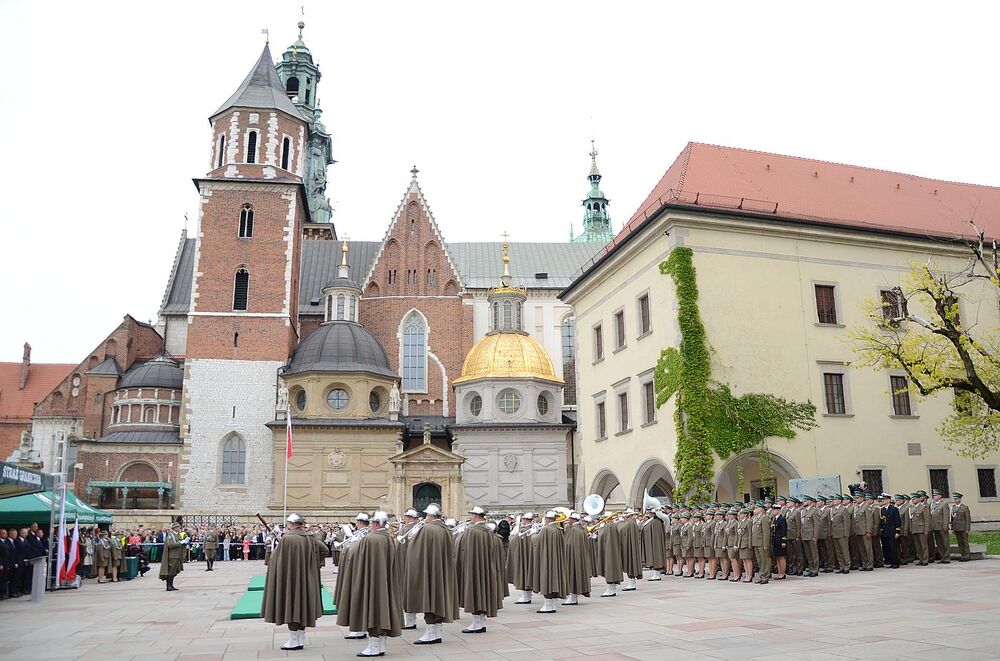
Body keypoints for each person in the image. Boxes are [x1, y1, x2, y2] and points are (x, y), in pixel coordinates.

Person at [335, 511, 401, 658]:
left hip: (372, 581)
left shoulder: (371, 538)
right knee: (382, 610)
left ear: (377, 523)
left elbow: (359, 559)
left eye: (372, 522)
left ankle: (373, 648)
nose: (370, 525)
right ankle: (381, 646)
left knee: (374, 611)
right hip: (383, 581)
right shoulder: (387, 538)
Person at [263, 514, 324, 651]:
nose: (287, 526)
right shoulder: (310, 537)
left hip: (291, 578)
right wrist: (314, 566)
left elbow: (274, 559)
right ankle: (300, 639)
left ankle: (293, 641)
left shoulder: (288, 538)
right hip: (307, 578)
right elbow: (324, 550)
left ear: (292, 524)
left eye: (288, 524)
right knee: (303, 607)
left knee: (292, 606)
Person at [404, 503, 456, 644]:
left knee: (431, 599)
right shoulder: (446, 529)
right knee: (439, 599)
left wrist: (412, 537)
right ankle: (437, 632)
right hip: (442, 571)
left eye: (427, 515)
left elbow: (415, 550)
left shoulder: (427, 529)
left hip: (430, 571)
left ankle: (431, 634)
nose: (425, 517)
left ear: (431, 516)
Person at [456, 506, 504, 633]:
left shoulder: (472, 530)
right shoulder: (488, 530)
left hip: (474, 567)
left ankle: (477, 624)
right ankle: (480, 622)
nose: (470, 517)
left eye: (472, 515)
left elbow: (465, 549)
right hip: (486, 567)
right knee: (483, 592)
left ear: (476, 516)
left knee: (475, 592)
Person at [533, 511, 568, 613]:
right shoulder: (558, 529)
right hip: (556, 559)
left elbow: (537, 543)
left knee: (547, 578)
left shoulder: (546, 529)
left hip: (547, 559)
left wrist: (533, 535)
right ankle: (552, 605)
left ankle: (548, 605)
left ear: (548, 519)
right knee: (554, 578)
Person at [562, 512, 592, 605]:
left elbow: (569, 544)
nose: (568, 520)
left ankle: (572, 596)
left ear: (573, 520)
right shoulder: (580, 529)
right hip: (578, 556)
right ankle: (573, 596)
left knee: (572, 575)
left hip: (573, 556)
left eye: (570, 518)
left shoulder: (574, 530)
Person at [508, 513, 535, 604]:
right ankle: (526, 595)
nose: (522, 521)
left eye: (523, 519)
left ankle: (526, 596)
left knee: (524, 573)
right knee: (527, 574)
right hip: (528, 555)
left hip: (524, 556)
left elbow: (513, 541)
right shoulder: (530, 530)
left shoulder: (525, 530)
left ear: (526, 520)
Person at [640, 509, 666, 582]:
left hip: (655, 543)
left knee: (656, 558)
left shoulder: (656, 522)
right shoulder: (652, 520)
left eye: (651, 513)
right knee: (653, 558)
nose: (649, 514)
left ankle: (657, 575)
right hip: (651, 542)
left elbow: (656, 535)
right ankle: (656, 574)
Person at [159, 522, 186, 591]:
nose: (179, 528)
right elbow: (171, 545)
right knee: (170, 571)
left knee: (174, 571)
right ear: (175, 528)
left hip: (177, 555)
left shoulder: (177, 535)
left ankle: (171, 585)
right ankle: (168, 586)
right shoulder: (171, 535)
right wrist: (180, 542)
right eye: (178, 527)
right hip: (172, 556)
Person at [928, 490, 950, 564]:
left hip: (942, 526)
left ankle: (947, 558)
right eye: (934, 495)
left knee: (945, 542)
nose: (934, 496)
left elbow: (946, 516)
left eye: (936, 495)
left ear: (940, 496)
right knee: (939, 543)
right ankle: (942, 557)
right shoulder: (932, 504)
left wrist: (945, 526)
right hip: (935, 527)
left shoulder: (944, 504)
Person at [879, 493, 901, 568]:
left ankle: (896, 563)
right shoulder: (882, 509)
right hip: (885, 531)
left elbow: (897, 520)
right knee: (888, 547)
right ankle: (891, 562)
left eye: (884, 499)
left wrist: (897, 531)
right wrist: (881, 530)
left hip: (892, 530)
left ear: (888, 500)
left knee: (893, 547)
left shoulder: (894, 509)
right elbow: (882, 521)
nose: (883, 501)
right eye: (882, 499)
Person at [909, 491, 929, 565]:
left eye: (914, 499)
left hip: (921, 529)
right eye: (912, 499)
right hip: (914, 529)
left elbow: (927, 520)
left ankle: (925, 559)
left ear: (919, 499)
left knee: (923, 545)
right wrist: (911, 528)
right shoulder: (911, 508)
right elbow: (910, 519)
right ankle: (920, 559)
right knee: (917, 546)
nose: (913, 500)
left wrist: (926, 530)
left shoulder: (923, 508)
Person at [951, 493, 973, 561]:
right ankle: (962, 555)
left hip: (963, 527)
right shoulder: (953, 507)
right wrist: (952, 528)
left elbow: (967, 519)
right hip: (956, 527)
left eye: (956, 499)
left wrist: (967, 528)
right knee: (960, 543)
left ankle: (967, 556)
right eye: (954, 499)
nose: (955, 500)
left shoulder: (964, 507)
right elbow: (952, 519)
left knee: (965, 542)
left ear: (960, 499)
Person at [770, 504, 788, 579]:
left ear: (778, 510)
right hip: (775, 540)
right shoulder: (774, 519)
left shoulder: (782, 519)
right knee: (777, 557)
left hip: (780, 540)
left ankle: (783, 573)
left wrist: (783, 541)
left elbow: (784, 530)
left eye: (774, 510)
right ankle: (780, 572)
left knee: (781, 557)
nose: (772, 511)